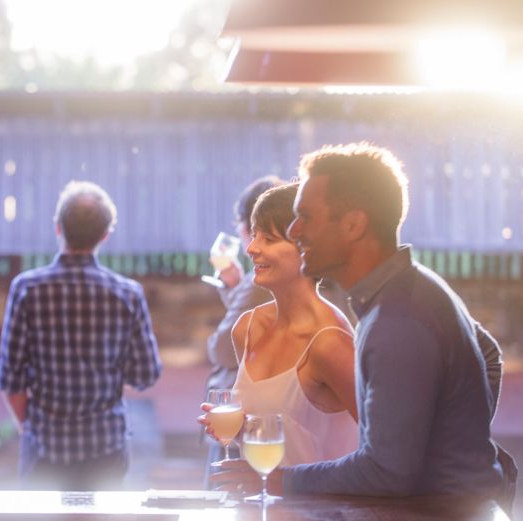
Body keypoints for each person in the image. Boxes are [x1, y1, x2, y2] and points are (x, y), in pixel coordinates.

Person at [214, 142, 512, 503]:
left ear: (354, 225)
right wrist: (459, 440)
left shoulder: (398, 319)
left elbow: (385, 472)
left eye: (305, 216)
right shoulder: (406, 292)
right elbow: (488, 354)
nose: (295, 229)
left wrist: (279, 481)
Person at [0, 180, 162, 490]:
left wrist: (30, 428)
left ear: (58, 228)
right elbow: (146, 374)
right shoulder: (127, 294)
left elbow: (10, 379)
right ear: (105, 235)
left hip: (44, 447)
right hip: (107, 448)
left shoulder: (27, 289)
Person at [202, 183, 357, 466]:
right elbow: (281, 437)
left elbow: (379, 448)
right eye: (254, 235)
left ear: (307, 248)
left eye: (269, 239)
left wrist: (288, 485)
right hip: (262, 503)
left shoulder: (330, 342)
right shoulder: (247, 328)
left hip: (318, 509)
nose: (251, 248)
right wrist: (239, 431)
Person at [203, 176, 279, 479]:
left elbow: (222, 348)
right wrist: (232, 287)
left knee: (228, 489)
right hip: (250, 416)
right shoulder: (256, 283)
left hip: (240, 414)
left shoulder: (258, 282)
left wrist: (238, 286)